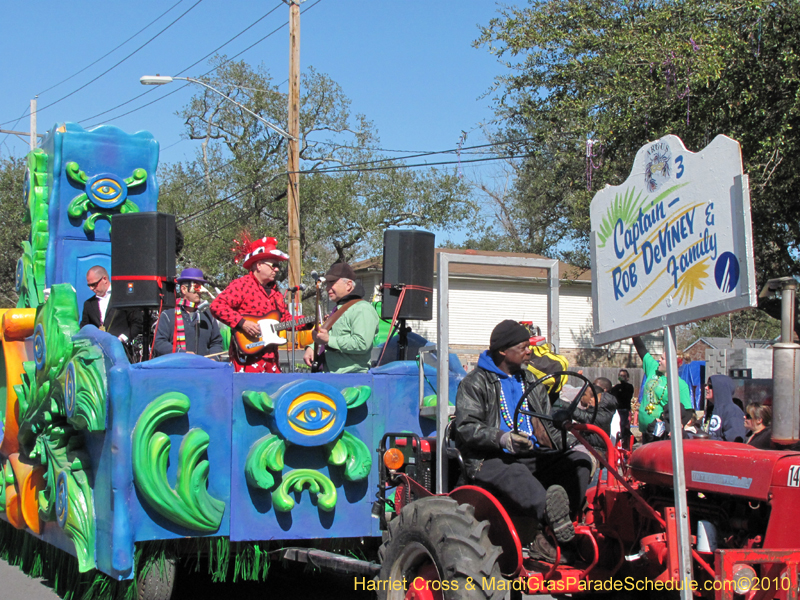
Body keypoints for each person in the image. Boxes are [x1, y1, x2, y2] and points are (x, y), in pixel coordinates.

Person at [454, 320, 593, 564]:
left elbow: (546, 422)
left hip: (534, 454)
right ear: (503, 351)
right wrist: (503, 438)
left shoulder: (530, 380)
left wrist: (570, 440)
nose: (530, 351)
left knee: (579, 461)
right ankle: (546, 530)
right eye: (523, 347)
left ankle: (557, 531)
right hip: (490, 458)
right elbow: (466, 428)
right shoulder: (475, 382)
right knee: (516, 472)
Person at [210, 236, 293, 373]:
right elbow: (217, 306)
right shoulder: (242, 285)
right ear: (258, 265)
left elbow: (285, 319)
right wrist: (243, 323)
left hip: (271, 360)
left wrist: (310, 322)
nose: (277, 269)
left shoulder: (276, 293)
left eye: (278, 266)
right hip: (246, 359)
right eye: (274, 265)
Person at [303, 262, 379, 373]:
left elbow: (362, 344)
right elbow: (332, 336)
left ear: (348, 285)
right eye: (327, 284)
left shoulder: (362, 309)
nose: (327, 288)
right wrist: (313, 347)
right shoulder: (338, 309)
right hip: (330, 377)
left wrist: (329, 340)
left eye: (331, 283)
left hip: (351, 380)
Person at [632, 336, 693, 443]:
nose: (659, 360)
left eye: (662, 359)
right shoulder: (654, 368)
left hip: (660, 433)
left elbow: (688, 411)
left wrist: (670, 425)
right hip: (645, 430)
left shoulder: (680, 384)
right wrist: (633, 333)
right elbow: (642, 350)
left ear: (671, 363)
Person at [153, 268, 223, 358]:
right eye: (196, 287)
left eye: (202, 286)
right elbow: (159, 343)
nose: (200, 291)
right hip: (176, 368)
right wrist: (182, 353)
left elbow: (216, 342)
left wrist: (214, 359)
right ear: (184, 289)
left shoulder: (209, 316)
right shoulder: (168, 316)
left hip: (203, 368)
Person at [555, 377, 618, 458]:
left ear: (602, 404)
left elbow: (580, 415)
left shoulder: (601, 417)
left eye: (595, 398)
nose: (591, 399)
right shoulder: (594, 413)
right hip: (587, 446)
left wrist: (558, 402)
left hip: (595, 451)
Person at [80, 265, 143, 342]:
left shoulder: (123, 298)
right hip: (97, 349)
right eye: (89, 285)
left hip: (121, 348)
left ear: (104, 279)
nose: (91, 288)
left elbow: (137, 323)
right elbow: (84, 328)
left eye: (94, 285)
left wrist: (121, 339)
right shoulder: (88, 304)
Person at [704, 375, 747, 443]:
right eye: (706, 385)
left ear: (720, 389)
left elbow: (734, 440)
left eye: (710, 386)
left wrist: (709, 441)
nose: (706, 388)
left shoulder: (733, 411)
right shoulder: (710, 409)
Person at [610, 369, 634, 449]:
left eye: (624, 376)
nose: (622, 377)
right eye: (620, 376)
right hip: (617, 410)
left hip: (625, 410)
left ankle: (626, 446)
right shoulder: (616, 387)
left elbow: (626, 395)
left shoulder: (629, 387)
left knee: (625, 428)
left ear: (627, 377)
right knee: (617, 428)